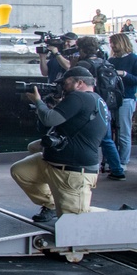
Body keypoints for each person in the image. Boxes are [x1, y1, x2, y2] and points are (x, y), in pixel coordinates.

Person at [10, 67, 109, 223]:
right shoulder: (94, 100)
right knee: (21, 171)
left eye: (65, 83)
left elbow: (49, 119)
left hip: (73, 172)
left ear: (79, 83)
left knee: (75, 222)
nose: (62, 86)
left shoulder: (79, 98)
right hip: (53, 163)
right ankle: (51, 205)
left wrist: (38, 101)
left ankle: (125, 218)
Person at [75, 36, 126, 180]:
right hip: (105, 106)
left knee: (82, 137)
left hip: (89, 105)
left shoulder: (84, 65)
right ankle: (117, 169)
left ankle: (82, 168)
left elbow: (74, 83)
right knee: (107, 139)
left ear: (82, 49)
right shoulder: (106, 63)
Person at [109, 33, 137, 166]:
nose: (112, 46)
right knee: (110, 132)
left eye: (114, 43)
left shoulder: (134, 59)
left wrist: (124, 74)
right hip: (111, 100)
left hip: (126, 99)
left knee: (124, 132)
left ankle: (123, 161)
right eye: (111, 43)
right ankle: (113, 161)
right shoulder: (111, 60)